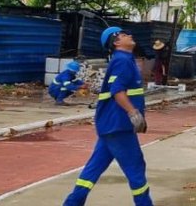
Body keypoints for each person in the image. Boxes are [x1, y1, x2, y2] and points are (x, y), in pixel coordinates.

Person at [63, 26, 152, 206]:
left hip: (110, 125)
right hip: (118, 126)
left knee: (92, 170)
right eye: (125, 34)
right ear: (117, 42)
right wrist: (133, 113)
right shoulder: (122, 60)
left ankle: (72, 203)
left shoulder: (124, 59)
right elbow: (117, 91)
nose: (130, 35)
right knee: (135, 168)